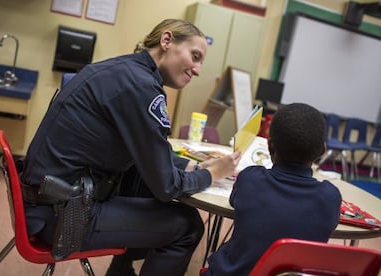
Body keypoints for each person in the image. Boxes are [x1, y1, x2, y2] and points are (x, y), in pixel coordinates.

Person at [20, 18, 242, 276]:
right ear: (167, 41)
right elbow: (167, 186)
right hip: (63, 216)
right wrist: (211, 175)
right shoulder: (141, 87)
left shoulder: (124, 71)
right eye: (195, 56)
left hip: (48, 200)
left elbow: (146, 148)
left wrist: (193, 165)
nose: (197, 70)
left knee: (142, 186)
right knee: (187, 225)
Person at [202, 103, 342, 276]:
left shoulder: (250, 178)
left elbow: (234, 201)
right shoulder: (330, 197)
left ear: (269, 146)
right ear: (322, 150)